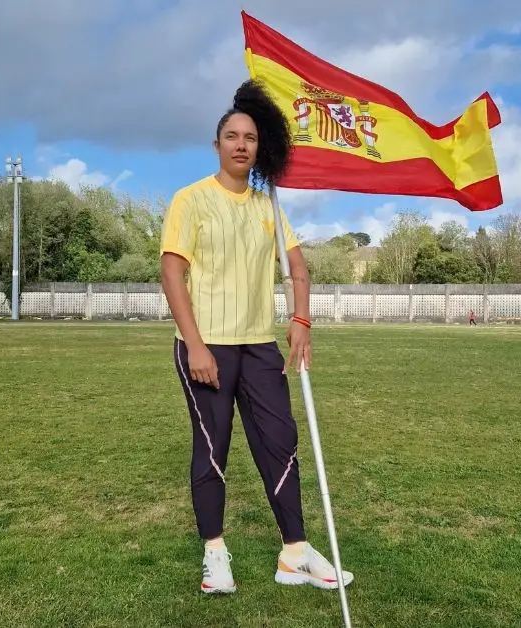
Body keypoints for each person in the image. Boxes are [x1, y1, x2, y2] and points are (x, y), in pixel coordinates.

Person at [159, 79, 354, 595]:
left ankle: (294, 553)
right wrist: (194, 344)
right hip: (208, 347)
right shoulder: (191, 200)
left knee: (280, 443)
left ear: (259, 146)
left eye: (249, 137)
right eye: (231, 135)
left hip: (260, 347)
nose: (241, 144)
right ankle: (215, 556)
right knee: (212, 449)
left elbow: (299, 270)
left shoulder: (270, 205)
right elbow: (172, 272)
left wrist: (301, 320)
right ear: (217, 143)